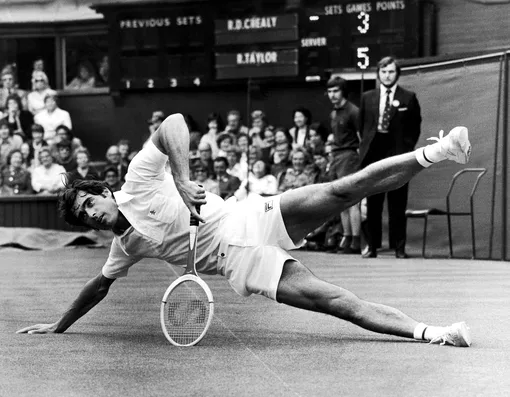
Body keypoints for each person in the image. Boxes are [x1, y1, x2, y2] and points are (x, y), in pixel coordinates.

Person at [16, 113, 472, 349]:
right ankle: (435, 333)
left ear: (105, 192)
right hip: (242, 263)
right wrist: (60, 324)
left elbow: (174, 125)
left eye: (90, 201)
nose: (91, 212)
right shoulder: (123, 246)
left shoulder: (138, 178)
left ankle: (438, 151)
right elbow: (98, 287)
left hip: (248, 217)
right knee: (337, 303)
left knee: (342, 190)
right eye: (82, 214)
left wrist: (178, 176)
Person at [359, 56, 422, 259]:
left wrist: (405, 149)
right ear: (378, 74)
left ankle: (399, 247)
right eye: (384, 71)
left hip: (398, 155)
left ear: (397, 74)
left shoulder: (408, 97)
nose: (387, 75)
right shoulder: (367, 97)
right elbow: (363, 126)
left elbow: (415, 127)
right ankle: (373, 246)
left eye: (391, 72)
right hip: (374, 153)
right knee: (373, 203)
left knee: (397, 203)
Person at [327, 76, 362, 254]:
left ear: (343, 92)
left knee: (351, 199)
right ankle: (346, 237)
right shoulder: (333, 113)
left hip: (349, 156)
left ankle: (356, 240)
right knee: (340, 200)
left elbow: (361, 137)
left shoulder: (354, 111)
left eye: (336, 91)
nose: (332, 95)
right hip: (336, 156)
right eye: (330, 91)